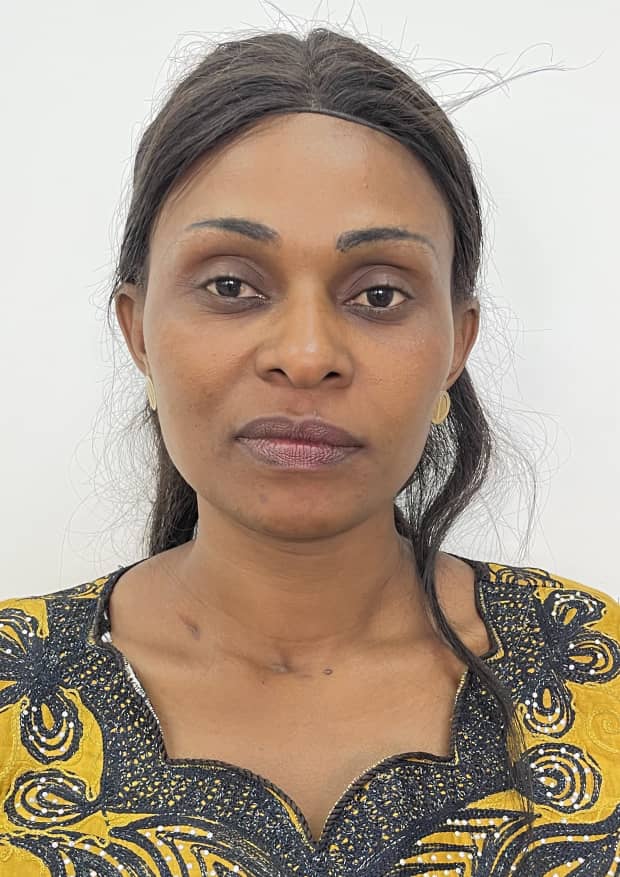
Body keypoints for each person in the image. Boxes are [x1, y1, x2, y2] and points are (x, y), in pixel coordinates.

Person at [0, 26, 618, 877]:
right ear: (138, 331)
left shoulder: (595, 674)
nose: (305, 354)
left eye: (379, 294)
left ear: (456, 344)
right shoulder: (14, 682)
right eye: (230, 285)